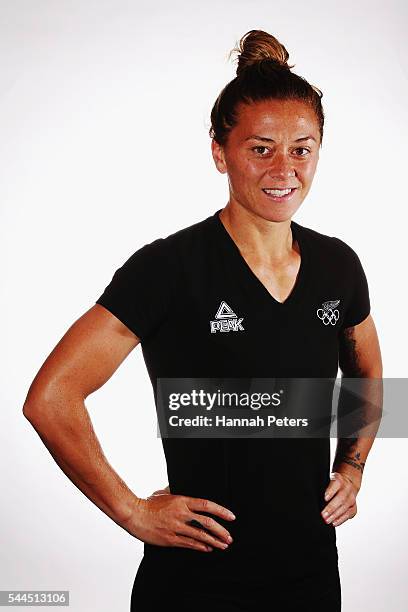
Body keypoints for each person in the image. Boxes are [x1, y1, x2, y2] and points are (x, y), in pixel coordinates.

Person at [23, 29, 382, 611]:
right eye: (260, 147)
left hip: (311, 577)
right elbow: (50, 396)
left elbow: (369, 368)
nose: (284, 169)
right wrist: (132, 511)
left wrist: (355, 466)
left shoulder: (339, 265)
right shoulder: (169, 267)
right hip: (196, 582)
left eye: (302, 148)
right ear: (220, 151)